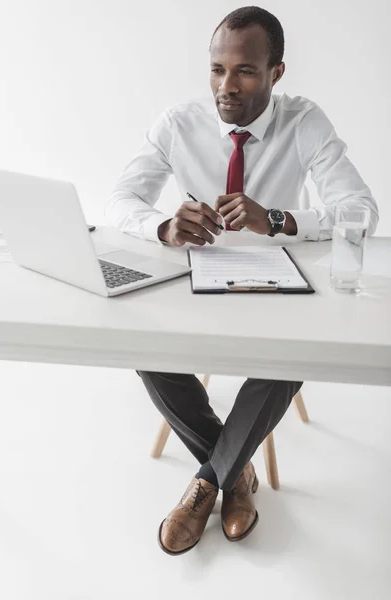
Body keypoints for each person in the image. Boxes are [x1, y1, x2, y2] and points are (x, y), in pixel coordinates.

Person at [105, 6, 378, 555]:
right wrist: (162, 225)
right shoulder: (178, 122)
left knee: (297, 351)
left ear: (276, 72)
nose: (226, 86)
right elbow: (118, 200)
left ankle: (205, 483)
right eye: (216, 69)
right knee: (135, 334)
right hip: (196, 278)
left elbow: (361, 209)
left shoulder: (305, 122)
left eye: (245, 71)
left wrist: (275, 219)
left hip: (281, 282)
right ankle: (234, 472)